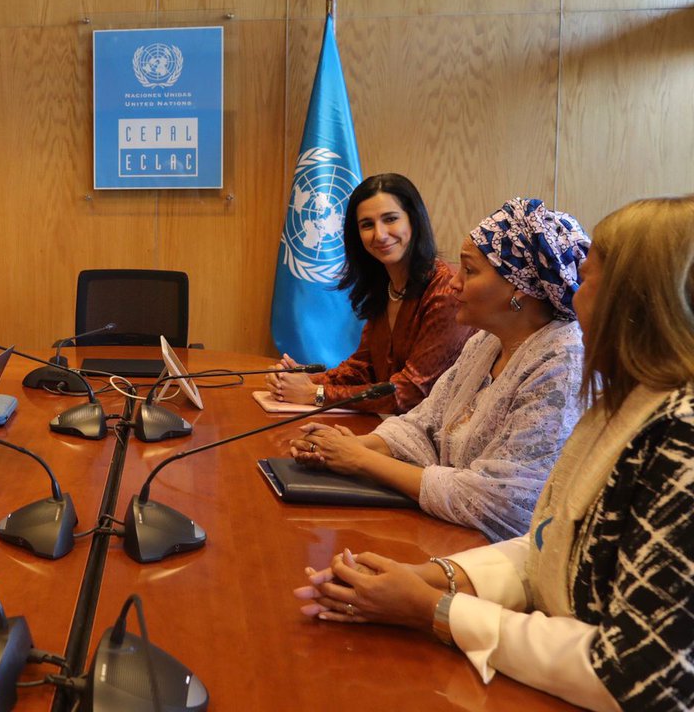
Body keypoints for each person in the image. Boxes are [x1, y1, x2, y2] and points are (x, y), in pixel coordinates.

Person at [293, 195, 694, 711]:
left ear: (638, 299)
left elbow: (636, 675)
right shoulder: (629, 398)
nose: (573, 299)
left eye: (589, 280)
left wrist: (437, 610)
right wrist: (432, 576)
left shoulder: (680, 436)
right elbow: (549, 544)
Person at [289, 198, 590, 541]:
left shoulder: (562, 366)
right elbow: (423, 424)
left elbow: (501, 504)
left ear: (518, 287)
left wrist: (361, 460)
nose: (453, 283)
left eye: (470, 271)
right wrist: (355, 446)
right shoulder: (485, 343)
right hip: (448, 534)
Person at [267, 174, 473, 414]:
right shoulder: (386, 286)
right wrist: (300, 380)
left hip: (437, 437)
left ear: (413, 221)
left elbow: (413, 392)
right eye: (367, 224)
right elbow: (363, 368)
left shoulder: (447, 288)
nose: (380, 234)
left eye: (391, 219)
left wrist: (316, 394)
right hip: (395, 428)